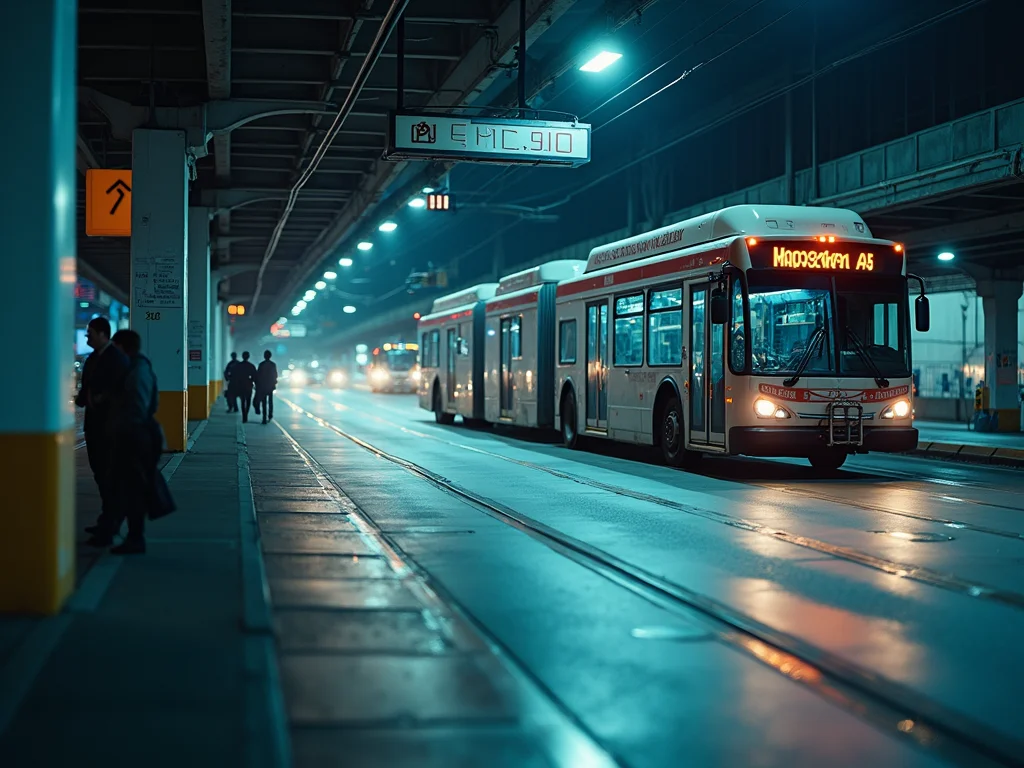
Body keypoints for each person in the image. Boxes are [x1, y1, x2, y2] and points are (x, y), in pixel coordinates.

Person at [107, 329, 163, 554]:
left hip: (135, 437)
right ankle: (122, 532)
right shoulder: (137, 367)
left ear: (121, 347)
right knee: (129, 488)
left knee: (134, 489)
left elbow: (139, 408)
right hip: (135, 435)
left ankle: (135, 537)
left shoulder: (138, 370)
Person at [76, 317, 129, 545]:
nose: (87, 337)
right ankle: (107, 519)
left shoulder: (116, 359)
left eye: (90, 333)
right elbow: (85, 389)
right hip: (94, 426)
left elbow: (121, 391)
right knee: (100, 474)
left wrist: (101, 398)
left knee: (110, 477)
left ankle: (110, 524)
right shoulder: (92, 359)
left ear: (102, 334)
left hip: (111, 428)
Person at [255, 350, 278, 425]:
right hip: (270, 386)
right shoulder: (273, 365)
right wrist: (274, 383)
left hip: (263, 386)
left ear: (264, 356)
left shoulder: (261, 364)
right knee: (270, 401)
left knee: (264, 402)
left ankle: (264, 417)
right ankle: (270, 415)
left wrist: (258, 385)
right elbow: (275, 375)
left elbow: (258, 375)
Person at [234, 351, 258, 423]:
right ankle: (246, 415)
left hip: (240, 385)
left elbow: (235, 376)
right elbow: (255, 377)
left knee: (242, 401)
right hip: (248, 385)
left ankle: (244, 415)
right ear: (248, 357)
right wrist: (255, 384)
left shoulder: (238, 366)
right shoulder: (251, 366)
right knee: (248, 401)